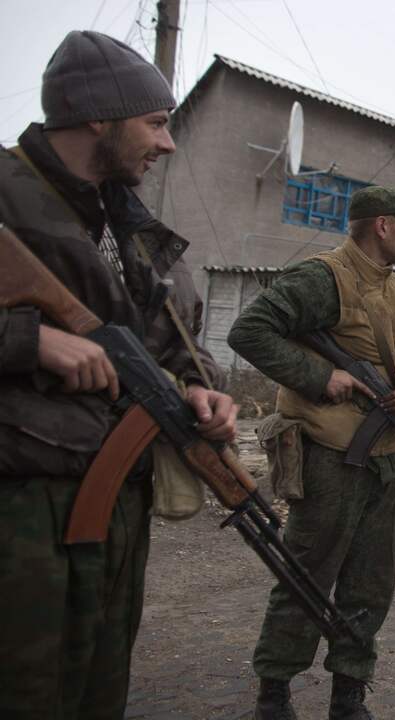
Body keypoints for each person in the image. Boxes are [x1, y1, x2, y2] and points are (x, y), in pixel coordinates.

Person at [0, 31, 237, 720]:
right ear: (99, 116)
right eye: (156, 123)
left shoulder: (128, 226)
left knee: (99, 689)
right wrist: (31, 341)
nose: (166, 144)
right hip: (22, 508)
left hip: (114, 506)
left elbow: (171, 342)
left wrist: (199, 387)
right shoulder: (10, 195)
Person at [228, 186, 395, 720]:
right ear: (382, 225)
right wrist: (323, 377)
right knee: (307, 573)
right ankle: (274, 691)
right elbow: (249, 331)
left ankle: (348, 693)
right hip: (327, 454)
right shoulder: (322, 278)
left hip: (383, 456)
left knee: (371, 582)